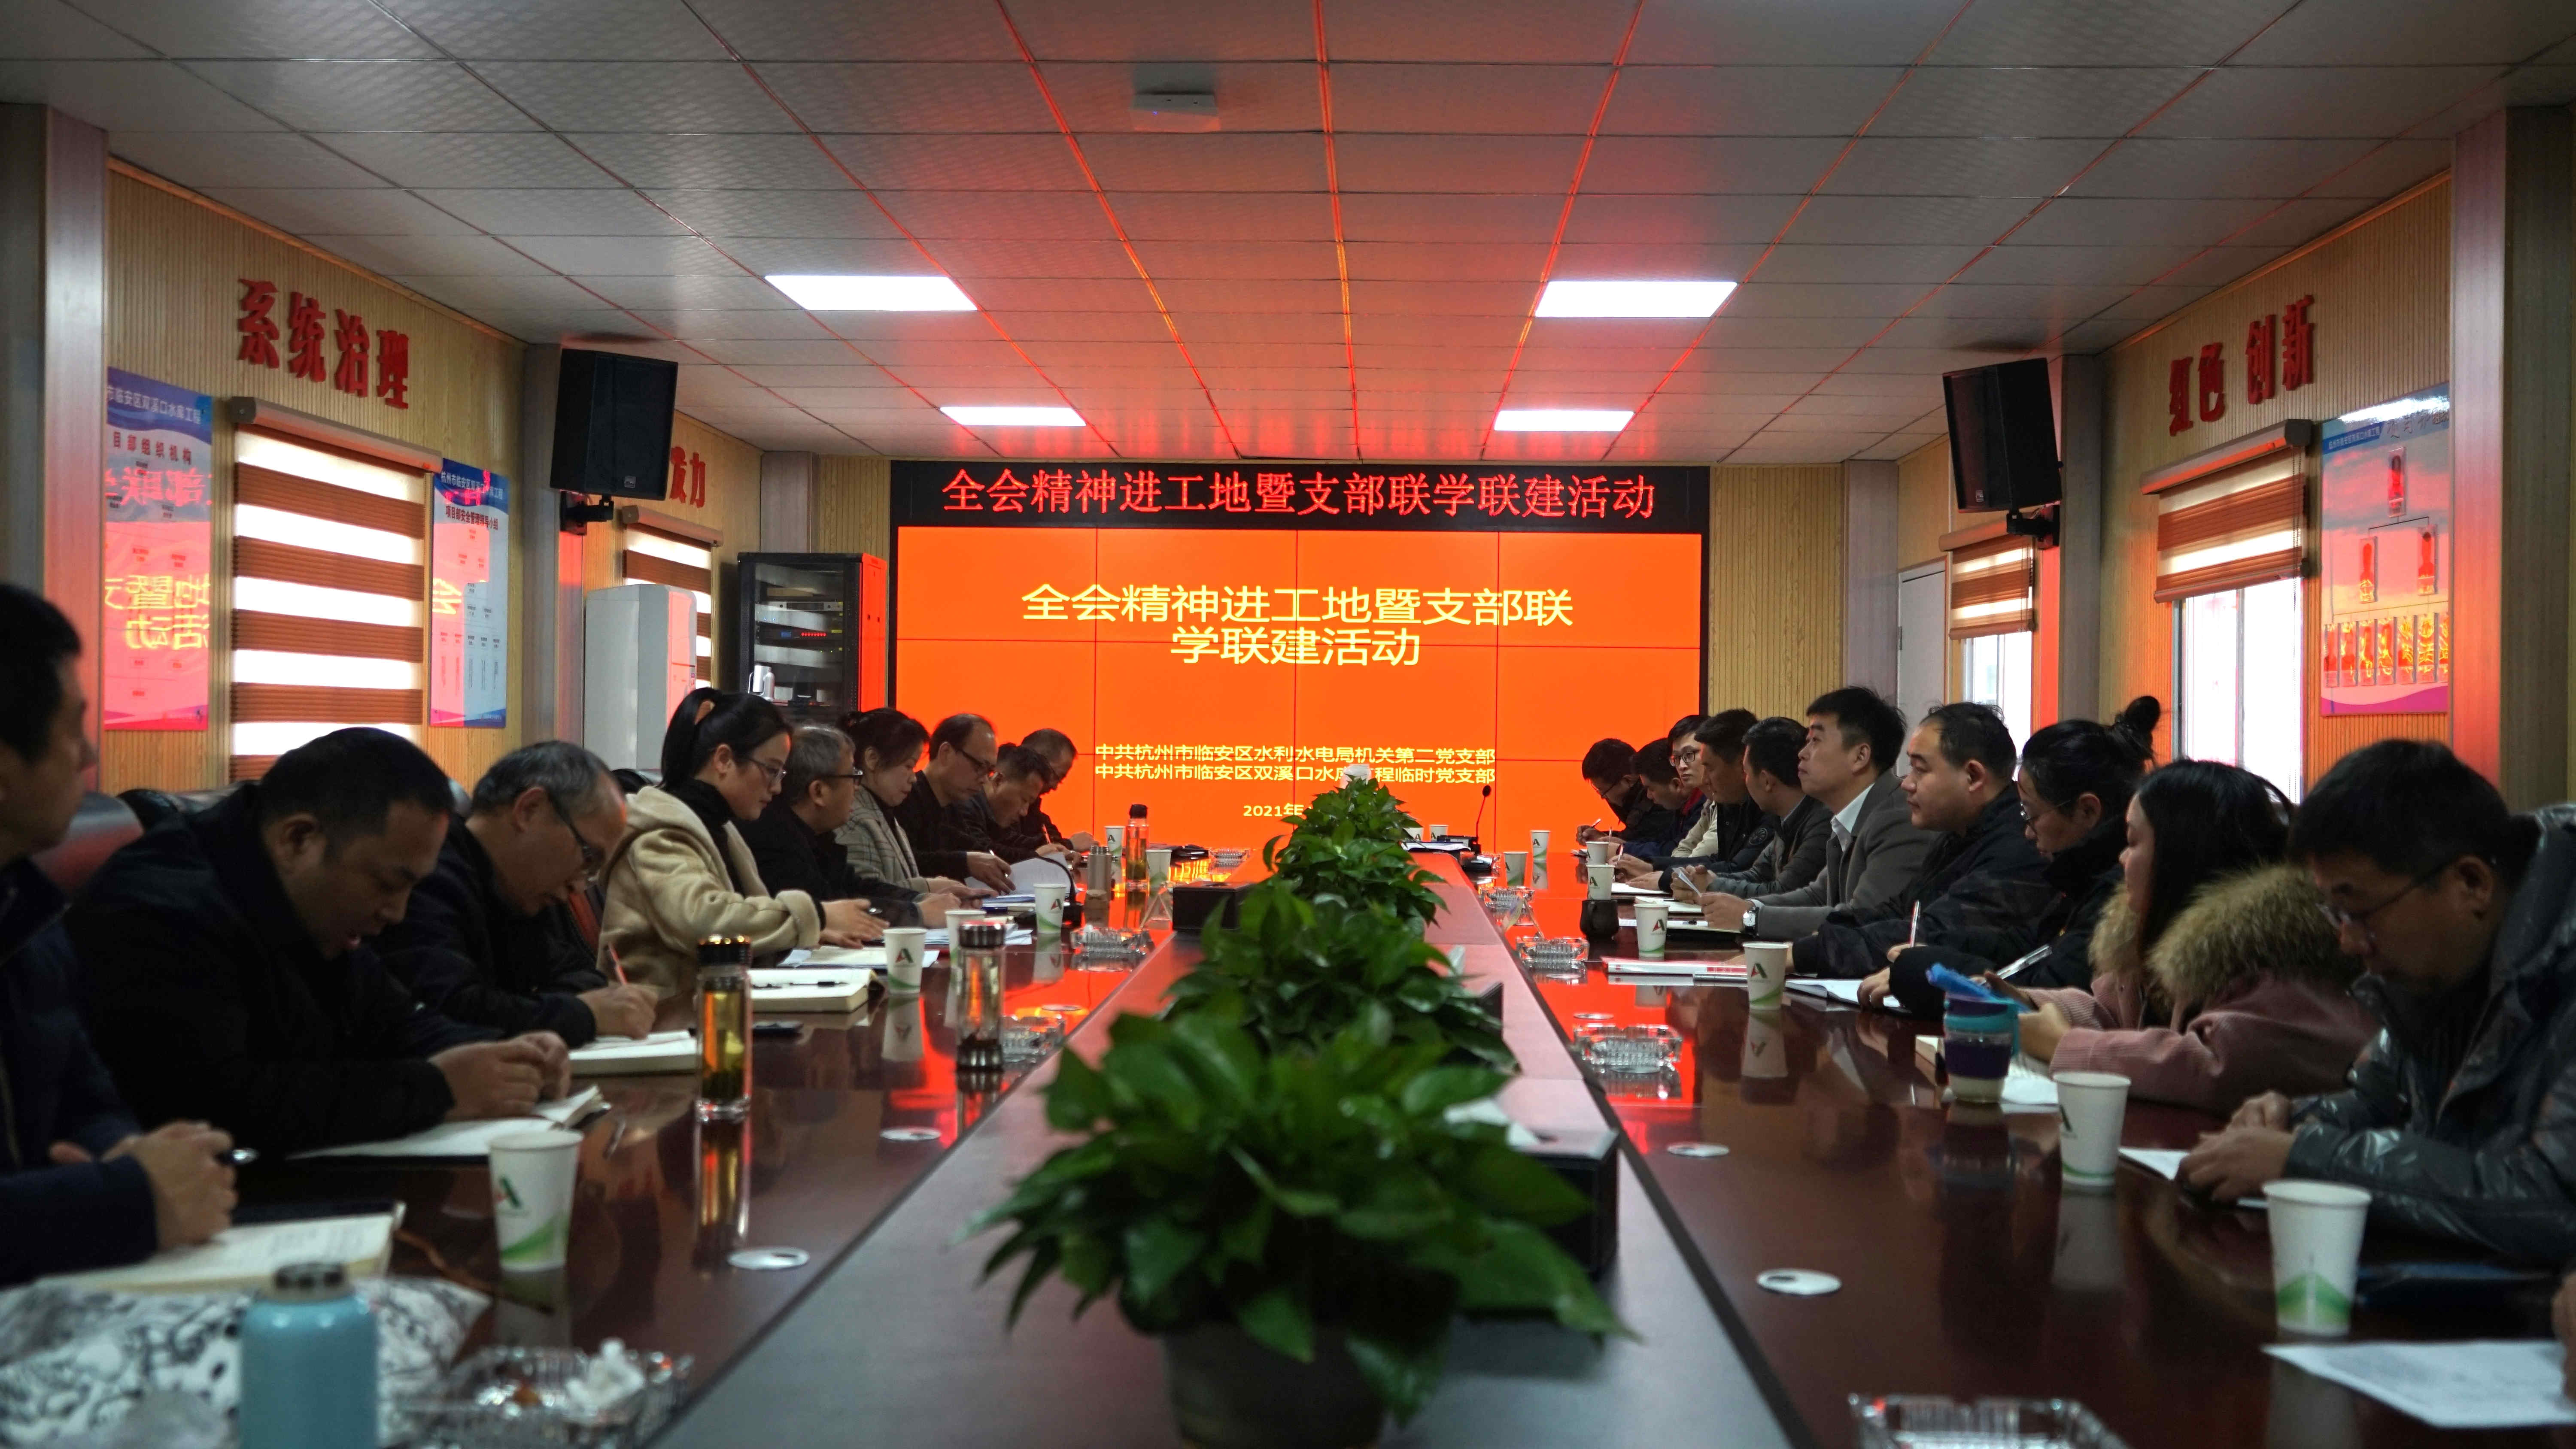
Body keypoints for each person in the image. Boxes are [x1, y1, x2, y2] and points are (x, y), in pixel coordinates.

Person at [72, 728, 571, 1156]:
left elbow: (397, 1021)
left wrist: (507, 1054)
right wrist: (437, 1090)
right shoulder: (164, 910)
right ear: (299, 839)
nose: (397, 913)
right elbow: (224, 1105)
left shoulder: (316, 906)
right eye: (387, 884)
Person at [2181, 740, 2576, 1262]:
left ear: (2471, 883)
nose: (2347, 942)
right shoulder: (2431, 972)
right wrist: (2291, 1120)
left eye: (2358, 911)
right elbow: (2375, 1102)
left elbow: (2551, 1203)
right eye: (2335, 914)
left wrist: (2310, 1159)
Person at [0, 585, 234, 1283]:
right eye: (72, 729)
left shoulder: (29, 915)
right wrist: (124, 1198)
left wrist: (125, 1154)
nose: (89, 756)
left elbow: (88, 1099)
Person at [1996, 762, 2367, 1115]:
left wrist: (2064, 1045)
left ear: (2182, 855)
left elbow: (2212, 1066)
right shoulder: (2160, 935)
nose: (2122, 859)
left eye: (2133, 842)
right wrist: (2025, 1002)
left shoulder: (2271, 952)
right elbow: (2109, 1014)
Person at [1864, 698, 2159, 1008]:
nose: (2027, 832)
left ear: (2087, 811)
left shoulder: (2118, 892)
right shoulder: (2077, 877)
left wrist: (1932, 969)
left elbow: (2047, 989)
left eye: (2031, 814)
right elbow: (2025, 944)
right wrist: (1933, 948)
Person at [598, 689, 882, 994]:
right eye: (771, 771)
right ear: (724, 760)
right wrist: (815, 917)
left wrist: (804, 932)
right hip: (660, 1013)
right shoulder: (660, 833)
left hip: (706, 1003)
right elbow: (704, 921)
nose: (777, 788)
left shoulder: (719, 826)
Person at [377, 740, 659, 1047]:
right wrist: (584, 1014)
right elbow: (450, 1013)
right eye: (588, 856)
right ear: (530, 810)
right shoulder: (430, 874)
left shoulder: (516, 893)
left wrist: (538, 1007)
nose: (580, 886)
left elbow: (583, 976)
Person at [1793, 701, 2051, 979]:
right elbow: (1900, 911)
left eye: (1920, 769)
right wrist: (1823, 937)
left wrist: (1804, 954)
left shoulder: (2020, 846)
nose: (1907, 783)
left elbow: (1932, 933)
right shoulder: (1958, 835)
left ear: (1973, 776)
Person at [1704, 686, 1932, 941]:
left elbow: (1863, 919)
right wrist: (1747, 908)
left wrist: (1751, 917)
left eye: (1816, 741)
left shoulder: (1899, 819)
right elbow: (1817, 895)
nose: (1802, 754)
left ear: (1860, 756)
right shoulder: (1850, 816)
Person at [740, 724, 957, 926]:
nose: (857, 787)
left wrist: (921, 899)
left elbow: (857, 888)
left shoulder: (818, 836)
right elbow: (829, 909)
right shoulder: (774, 840)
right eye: (853, 776)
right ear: (819, 792)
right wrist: (917, 913)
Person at [835, 708, 986, 902]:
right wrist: (929, 888)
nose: (913, 778)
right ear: (873, 759)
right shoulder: (853, 818)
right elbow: (866, 896)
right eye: (908, 766)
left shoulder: (882, 812)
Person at [1677, 716, 1829, 905]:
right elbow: (1757, 874)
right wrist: (1701, 879)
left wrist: (1711, 884)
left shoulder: (1823, 821)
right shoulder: (1785, 818)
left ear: (1766, 781)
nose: (1745, 780)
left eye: (1747, 773)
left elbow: (1783, 892)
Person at [890, 713, 1012, 890]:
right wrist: (964, 862)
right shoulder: (902, 797)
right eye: (979, 767)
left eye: (990, 771)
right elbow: (902, 864)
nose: (985, 780)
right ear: (946, 753)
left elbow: (976, 848)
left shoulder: (955, 805)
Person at [948, 744, 1054, 864]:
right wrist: (1036, 856)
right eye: (1024, 800)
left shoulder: (996, 815)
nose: (1024, 812)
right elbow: (984, 853)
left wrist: (1054, 846)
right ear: (998, 781)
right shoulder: (963, 805)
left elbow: (1008, 841)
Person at [1003, 728, 1096, 858]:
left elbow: (1047, 837)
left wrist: (1064, 846)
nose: (1055, 786)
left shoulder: (1033, 808)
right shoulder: (989, 804)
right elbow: (1006, 845)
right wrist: (1069, 845)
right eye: (1057, 777)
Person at [1617, 739, 1692, 857]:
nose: (1648, 796)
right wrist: (1623, 844)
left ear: (1676, 784)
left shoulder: (1702, 808)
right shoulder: (1682, 808)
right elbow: (1663, 841)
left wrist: (1623, 849)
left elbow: (1676, 849)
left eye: (1651, 789)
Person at [1574, 738, 1642, 844]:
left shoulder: (1655, 800)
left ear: (1627, 780)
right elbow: (1634, 837)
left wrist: (1607, 841)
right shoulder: (1625, 794)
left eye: (1604, 792)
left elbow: (1653, 845)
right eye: (1598, 790)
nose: (1602, 797)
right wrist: (1603, 837)